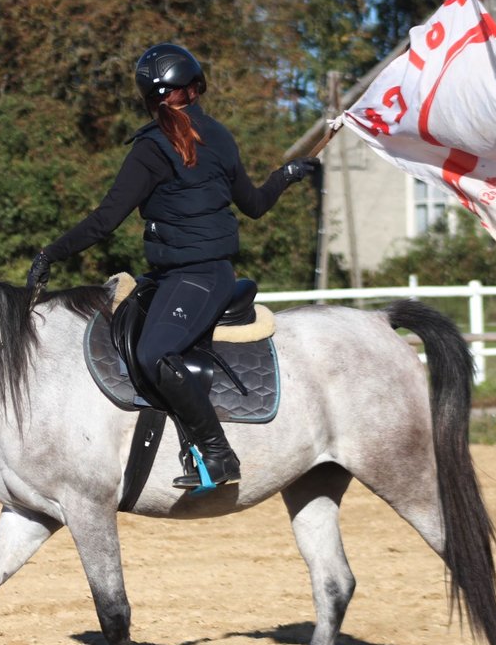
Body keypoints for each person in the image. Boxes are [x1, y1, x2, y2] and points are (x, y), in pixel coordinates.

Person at [26, 42, 319, 490]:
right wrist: (287, 175)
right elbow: (256, 205)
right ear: (196, 88)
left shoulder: (153, 147)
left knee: (153, 353)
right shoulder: (215, 135)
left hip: (198, 279)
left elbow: (105, 220)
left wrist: (49, 254)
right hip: (177, 276)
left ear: (148, 98)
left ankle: (218, 454)